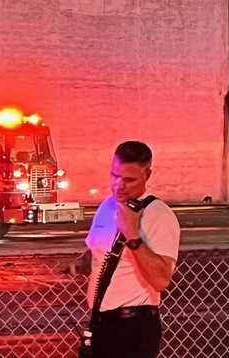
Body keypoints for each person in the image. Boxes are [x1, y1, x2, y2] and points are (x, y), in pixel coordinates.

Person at [84, 141, 180, 358]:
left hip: (134, 327)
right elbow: (98, 251)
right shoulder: (107, 206)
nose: (119, 185)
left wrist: (133, 236)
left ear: (148, 175)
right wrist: (79, 263)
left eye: (129, 179)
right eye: (114, 176)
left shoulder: (158, 215)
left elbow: (161, 280)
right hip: (100, 323)